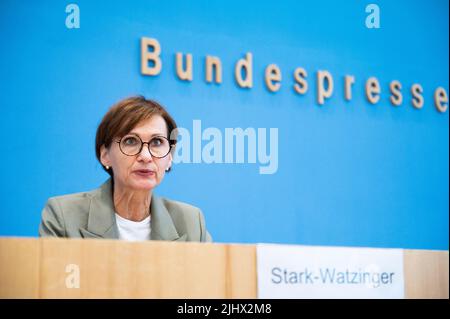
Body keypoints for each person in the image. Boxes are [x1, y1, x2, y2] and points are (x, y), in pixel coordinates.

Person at [39, 96, 212, 242]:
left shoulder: (191, 222)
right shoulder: (63, 216)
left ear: (169, 158)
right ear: (105, 154)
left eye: (157, 142)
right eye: (130, 141)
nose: (145, 156)